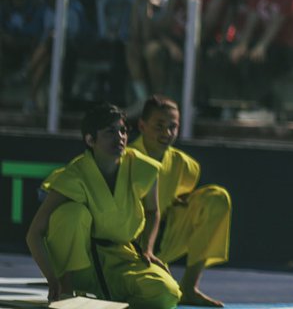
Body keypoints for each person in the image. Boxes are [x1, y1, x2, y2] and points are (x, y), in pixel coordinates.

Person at [25, 103, 181, 308]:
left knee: (167, 293)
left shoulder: (143, 167)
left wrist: (148, 249)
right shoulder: (74, 175)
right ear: (90, 140)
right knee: (71, 213)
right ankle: (67, 290)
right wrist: (53, 279)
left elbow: (153, 211)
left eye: (123, 130)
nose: (120, 137)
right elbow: (34, 234)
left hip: (123, 259)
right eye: (110, 132)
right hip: (82, 266)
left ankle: (111, 301)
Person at [131, 96, 231, 307]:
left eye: (173, 127)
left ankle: (189, 287)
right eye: (159, 126)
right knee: (157, 295)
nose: (167, 133)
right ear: (142, 126)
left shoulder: (186, 166)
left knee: (217, 198)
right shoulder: (125, 158)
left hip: (162, 240)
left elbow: (181, 194)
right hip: (127, 247)